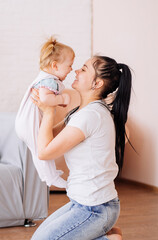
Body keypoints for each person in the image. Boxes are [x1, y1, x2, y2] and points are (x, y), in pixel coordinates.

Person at [31, 55, 132, 240]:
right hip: (83, 203)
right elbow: (49, 136)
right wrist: (43, 106)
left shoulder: (91, 116)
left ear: (97, 84)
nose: (77, 70)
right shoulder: (80, 113)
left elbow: (45, 152)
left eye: (84, 69)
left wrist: (48, 111)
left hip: (96, 209)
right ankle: (108, 236)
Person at [15, 37, 74, 188]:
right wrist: (62, 98)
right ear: (55, 65)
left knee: (38, 150)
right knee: (43, 150)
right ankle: (51, 177)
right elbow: (45, 100)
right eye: (69, 65)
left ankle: (49, 175)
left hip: (25, 122)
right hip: (29, 122)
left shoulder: (46, 78)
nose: (71, 69)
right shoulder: (49, 80)